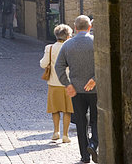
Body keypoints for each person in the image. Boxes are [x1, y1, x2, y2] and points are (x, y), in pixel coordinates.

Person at [55, 15, 98, 163]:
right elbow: (106, 65)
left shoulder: (68, 45)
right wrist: (95, 79)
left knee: (81, 122)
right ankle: (94, 144)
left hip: (76, 90)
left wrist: (67, 84)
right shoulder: (96, 43)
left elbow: (58, 66)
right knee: (96, 119)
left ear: (74, 28)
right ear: (89, 27)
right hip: (95, 90)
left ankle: (84, 156)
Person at [40, 24, 74, 142]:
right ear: (68, 36)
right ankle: (65, 135)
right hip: (68, 83)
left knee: (55, 109)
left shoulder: (49, 48)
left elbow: (43, 64)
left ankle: (56, 132)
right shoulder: (70, 48)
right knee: (67, 110)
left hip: (54, 83)